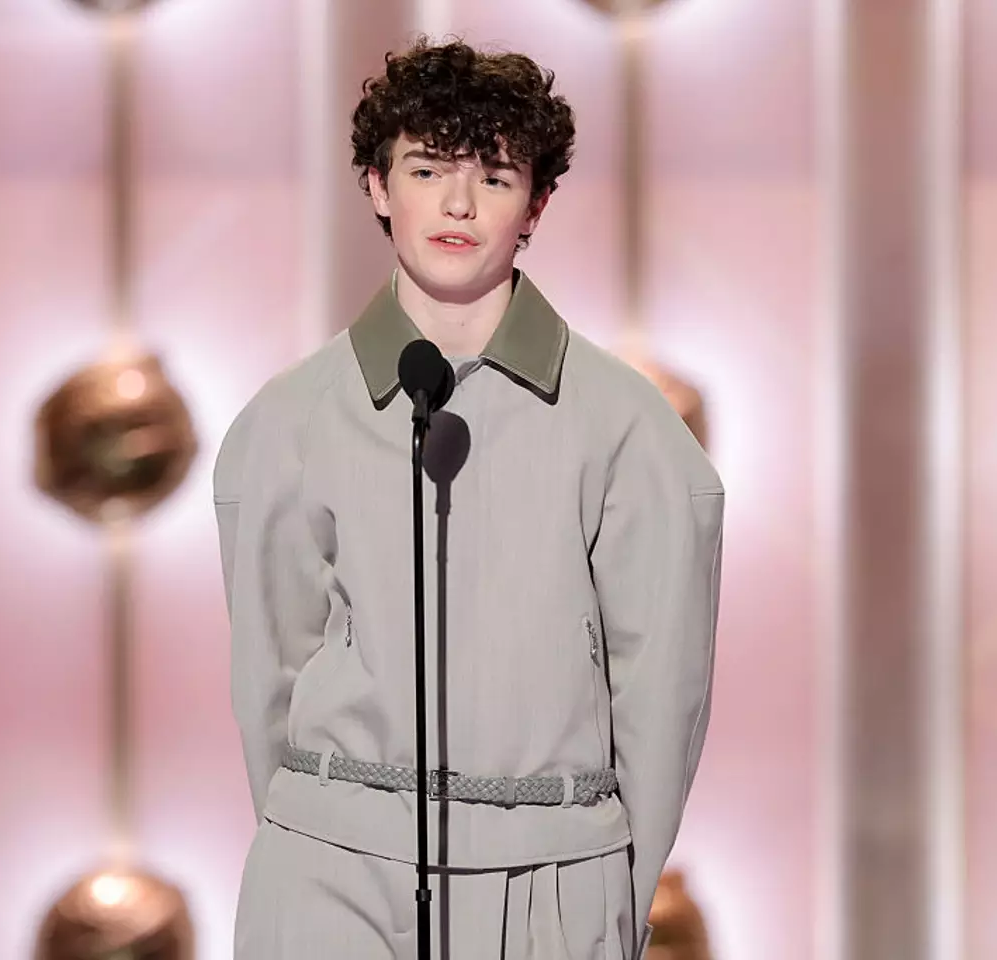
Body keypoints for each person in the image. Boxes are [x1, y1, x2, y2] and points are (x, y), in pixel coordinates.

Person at [213, 37, 724, 959]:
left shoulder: (629, 428)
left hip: (552, 884)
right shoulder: (286, 422)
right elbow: (269, 685)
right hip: (333, 870)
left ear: (537, 204)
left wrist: (605, 886)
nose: (457, 204)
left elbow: (662, 695)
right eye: (426, 168)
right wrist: (318, 835)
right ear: (376, 185)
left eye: (493, 174)